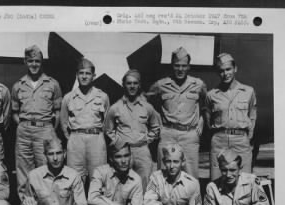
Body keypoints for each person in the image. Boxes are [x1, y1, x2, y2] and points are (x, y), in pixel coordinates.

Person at [12, 45, 63, 199]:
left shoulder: (52, 84)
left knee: (45, 167)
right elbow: (15, 113)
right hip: (24, 131)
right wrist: (24, 126)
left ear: (42, 62)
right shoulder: (18, 85)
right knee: (23, 168)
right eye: (30, 61)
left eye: (37, 61)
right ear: (25, 62)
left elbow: (58, 112)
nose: (34, 64)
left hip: (45, 129)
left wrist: (49, 129)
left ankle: (46, 204)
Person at [147, 47, 206, 178]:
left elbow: (208, 104)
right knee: (164, 175)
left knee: (191, 176)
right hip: (168, 134)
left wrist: (202, 119)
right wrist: (156, 121)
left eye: (184, 66)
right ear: (172, 66)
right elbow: (146, 103)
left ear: (189, 66)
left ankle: (193, 199)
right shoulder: (161, 85)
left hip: (189, 134)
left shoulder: (198, 84)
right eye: (177, 65)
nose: (180, 69)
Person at [105, 69, 161, 191]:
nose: (132, 86)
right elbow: (108, 130)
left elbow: (155, 126)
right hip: (123, 152)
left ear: (139, 85)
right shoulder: (115, 107)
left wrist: (147, 139)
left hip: (142, 150)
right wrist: (119, 143)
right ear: (123, 84)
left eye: (135, 83)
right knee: (122, 184)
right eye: (129, 83)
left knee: (144, 182)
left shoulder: (147, 107)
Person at [205, 53, 257, 180]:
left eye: (228, 69)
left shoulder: (248, 91)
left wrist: (247, 137)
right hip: (219, 141)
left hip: (241, 140)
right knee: (217, 182)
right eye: (221, 71)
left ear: (235, 69)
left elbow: (252, 116)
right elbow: (208, 118)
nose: (225, 73)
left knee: (245, 181)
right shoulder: (212, 95)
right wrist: (216, 136)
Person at [60, 58, 110, 187]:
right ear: (76, 75)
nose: (84, 76)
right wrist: (72, 138)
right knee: (74, 178)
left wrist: (98, 135)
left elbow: (107, 123)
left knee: (98, 177)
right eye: (81, 73)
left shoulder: (102, 96)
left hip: (96, 139)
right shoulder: (68, 97)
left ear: (93, 76)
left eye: (87, 73)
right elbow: (64, 122)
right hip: (76, 140)